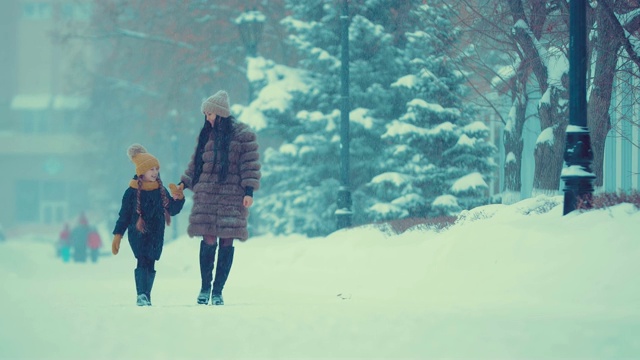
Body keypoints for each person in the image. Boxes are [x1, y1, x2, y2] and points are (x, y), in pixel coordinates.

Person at [177, 90, 261, 306]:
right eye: (205, 115)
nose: (207, 119)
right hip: (207, 195)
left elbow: (250, 165)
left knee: (226, 240)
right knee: (208, 239)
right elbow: (196, 163)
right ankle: (205, 287)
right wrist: (184, 183)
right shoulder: (207, 135)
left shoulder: (243, 135)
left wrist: (248, 191)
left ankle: (218, 291)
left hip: (232, 196)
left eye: (210, 115)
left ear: (220, 114)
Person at [111, 144, 185, 306]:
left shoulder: (160, 190)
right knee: (142, 260)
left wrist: (179, 198)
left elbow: (171, 209)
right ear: (141, 171)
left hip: (156, 233)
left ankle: (146, 295)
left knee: (151, 262)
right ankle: (141, 294)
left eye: (156, 169)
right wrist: (118, 235)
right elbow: (124, 216)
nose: (155, 172)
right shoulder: (131, 192)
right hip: (137, 232)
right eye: (151, 169)